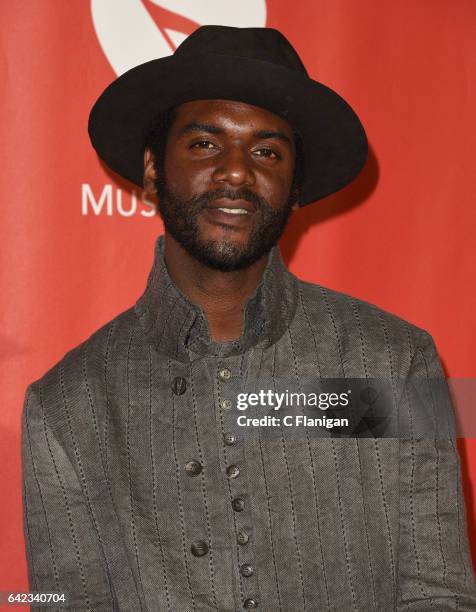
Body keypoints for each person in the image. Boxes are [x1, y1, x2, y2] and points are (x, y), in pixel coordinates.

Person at [22, 26, 476, 611]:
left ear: (292, 189)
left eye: (266, 151)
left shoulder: (395, 362)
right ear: (154, 169)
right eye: (205, 145)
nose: (237, 172)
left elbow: (440, 593)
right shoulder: (67, 404)